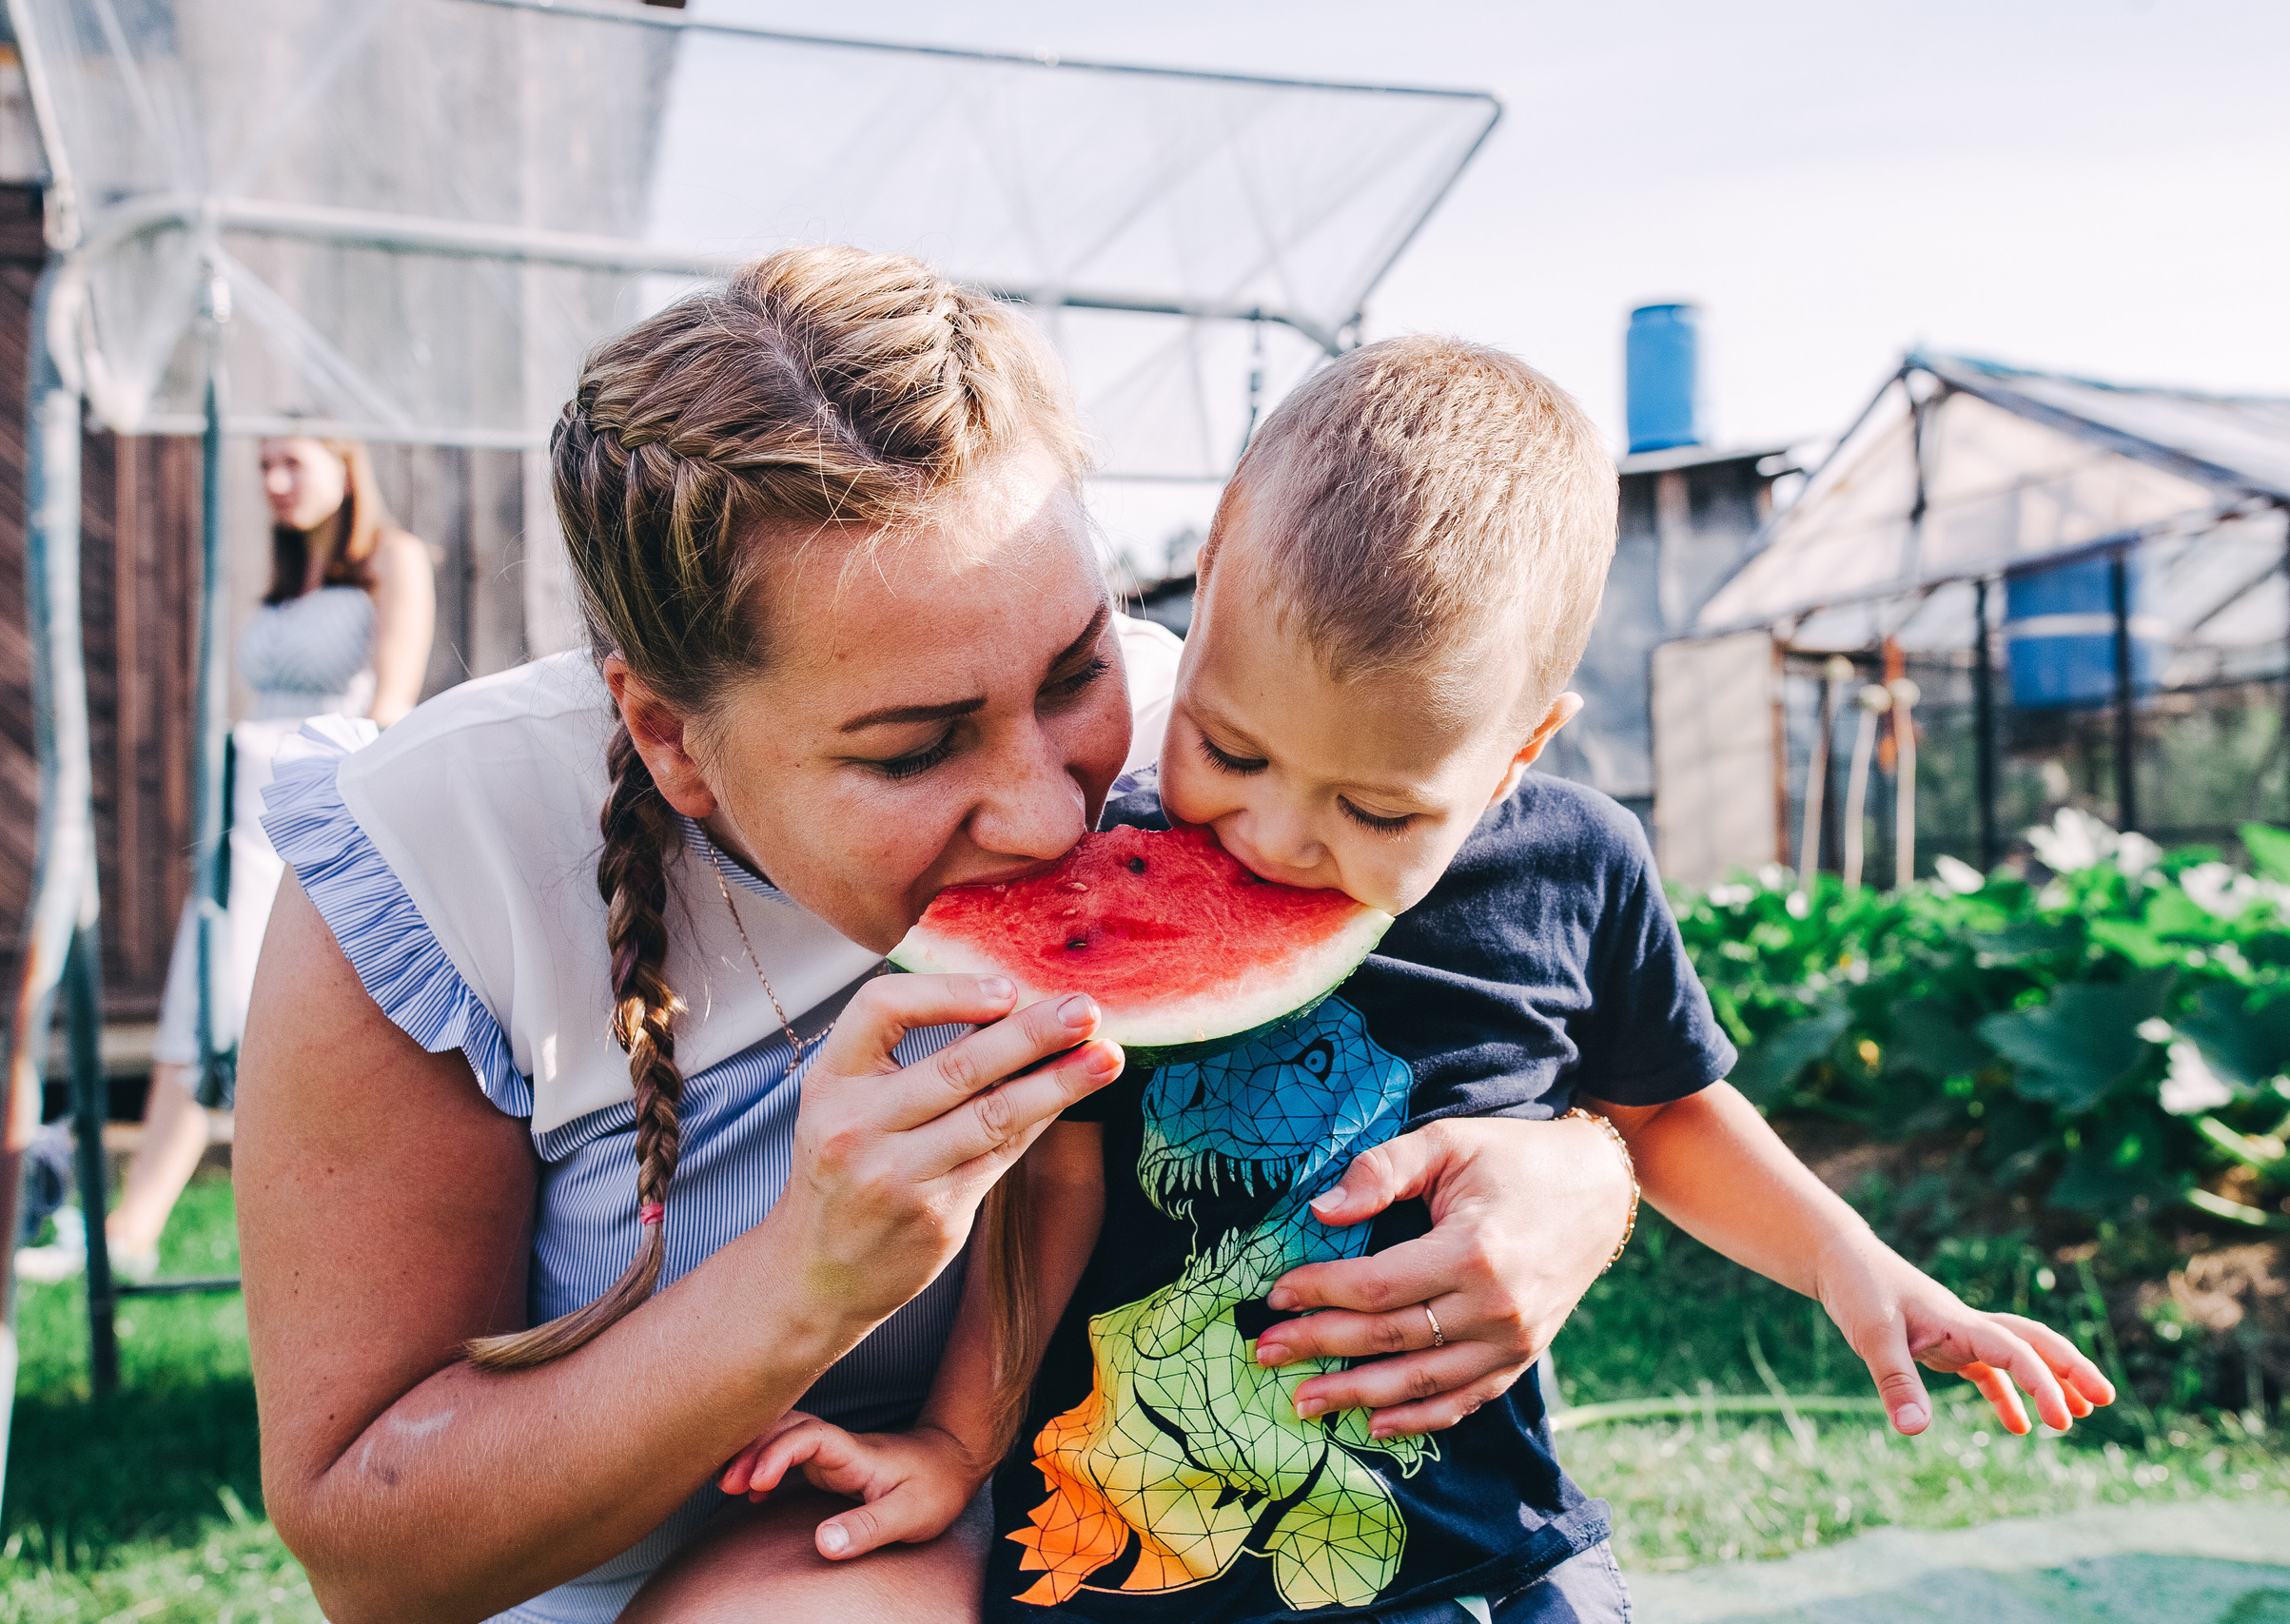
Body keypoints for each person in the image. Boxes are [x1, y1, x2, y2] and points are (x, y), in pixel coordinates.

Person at [236, 251, 1643, 1624]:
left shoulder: (1234, 743)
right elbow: (375, 1564)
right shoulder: (436, 861)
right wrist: (806, 1275)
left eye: (1077, 666)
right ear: (670, 735)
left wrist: (1582, 1178)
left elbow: (1495, 982)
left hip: (1063, 1519)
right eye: (915, 748)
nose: (1045, 816)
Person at [714, 339, 2118, 1624]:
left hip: (1478, 1567)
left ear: (1518, 751)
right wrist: (959, 1442)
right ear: (1204, 591)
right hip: (1129, 1575)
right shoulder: (1099, 852)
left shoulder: (1578, 863)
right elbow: (1052, 1186)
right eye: (1231, 747)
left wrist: (1848, 1259)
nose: (1271, 836)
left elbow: (1671, 1114)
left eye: (1378, 810)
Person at [14, 436, 433, 1285]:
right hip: (242, 810)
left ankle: (312, 1231)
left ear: (344, 462)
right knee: (196, 1003)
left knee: (258, 1014)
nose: (275, 483)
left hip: (321, 809)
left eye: (293, 463)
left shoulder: (395, 559)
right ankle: (130, 1230)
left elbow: (392, 707)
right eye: (264, 468)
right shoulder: (284, 581)